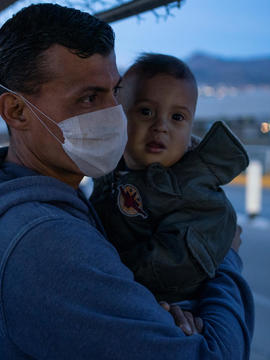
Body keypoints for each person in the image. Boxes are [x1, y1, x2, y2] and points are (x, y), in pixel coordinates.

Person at [0, 3, 253, 359]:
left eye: (114, 93)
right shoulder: (48, 243)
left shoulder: (4, 193)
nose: (112, 114)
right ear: (16, 111)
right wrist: (224, 261)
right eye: (88, 97)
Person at [90, 53, 249, 304]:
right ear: (117, 117)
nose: (161, 126)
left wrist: (100, 268)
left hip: (173, 308)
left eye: (177, 117)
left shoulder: (196, 193)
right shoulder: (108, 172)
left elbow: (172, 268)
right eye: (146, 111)